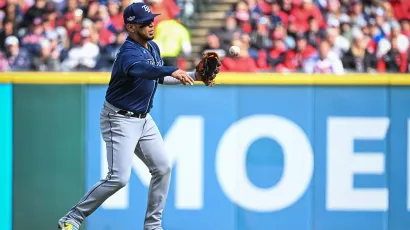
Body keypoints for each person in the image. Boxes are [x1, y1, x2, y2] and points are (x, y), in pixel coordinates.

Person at [57, 2, 215, 230]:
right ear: (131, 27)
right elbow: (142, 70)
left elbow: (158, 78)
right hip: (119, 118)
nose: (151, 25)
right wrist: (171, 69)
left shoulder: (153, 48)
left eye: (152, 20)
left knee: (162, 168)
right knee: (118, 178)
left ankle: (153, 226)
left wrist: (194, 76)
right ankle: (72, 218)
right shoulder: (128, 52)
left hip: (143, 120)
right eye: (145, 22)